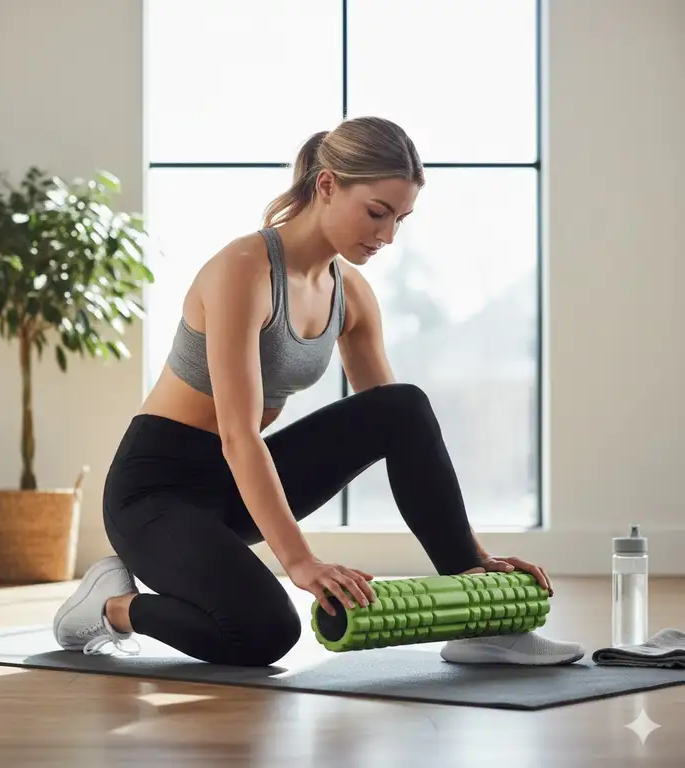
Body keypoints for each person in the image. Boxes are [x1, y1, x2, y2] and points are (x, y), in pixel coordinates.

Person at [53, 116, 583, 667]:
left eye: (400, 220)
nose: (386, 236)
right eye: (377, 213)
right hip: (156, 492)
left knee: (404, 406)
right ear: (327, 185)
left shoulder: (351, 292)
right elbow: (239, 434)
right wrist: (302, 563)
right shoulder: (243, 270)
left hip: (233, 487)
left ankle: (482, 624)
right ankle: (112, 608)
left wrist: (475, 559)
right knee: (265, 633)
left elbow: (398, 428)